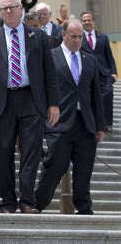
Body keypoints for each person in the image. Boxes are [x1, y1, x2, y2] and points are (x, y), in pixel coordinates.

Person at [0, 0, 60, 214]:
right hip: (2, 102)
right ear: (0, 13)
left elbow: (49, 72)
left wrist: (54, 103)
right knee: (3, 153)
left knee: (31, 152)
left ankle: (27, 200)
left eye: (12, 7)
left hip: (32, 99)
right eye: (4, 8)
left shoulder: (38, 36)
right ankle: (8, 202)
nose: (8, 11)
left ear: (21, 9)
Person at [35, 19, 105, 215]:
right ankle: (38, 202)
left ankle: (83, 206)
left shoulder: (90, 59)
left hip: (85, 123)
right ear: (63, 35)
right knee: (55, 165)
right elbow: (42, 90)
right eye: (73, 36)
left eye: (80, 37)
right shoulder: (50, 57)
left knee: (84, 168)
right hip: (59, 121)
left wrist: (100, 126)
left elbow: (96, 95)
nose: (77, 40)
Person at [79, 11, 117, 132]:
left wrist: (113, 72)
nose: (87, 22)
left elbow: (109, 57)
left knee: (107, 96)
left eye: (89, 20)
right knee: (91, 98)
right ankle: (93, 122)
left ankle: (107, 123)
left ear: (93, 21)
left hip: (104, 73)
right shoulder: (79, 38)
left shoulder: (103, 37)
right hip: (87, 73)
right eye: (84, 20)